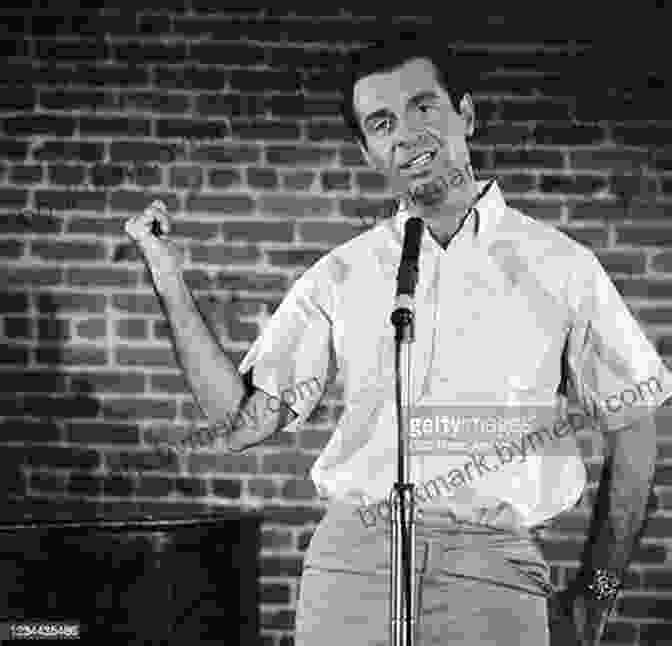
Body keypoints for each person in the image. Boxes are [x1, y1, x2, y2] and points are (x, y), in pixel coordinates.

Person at [124, 30, 671, 646]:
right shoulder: (341, 273)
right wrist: (168, 278)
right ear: (368, 151)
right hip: (351, 568)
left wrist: (594, 599)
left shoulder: (562, 267)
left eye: (424, 107)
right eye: (382, 123)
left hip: (494, 572)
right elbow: (238, 421)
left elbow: (635, 430)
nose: (407, 134)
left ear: (465, 113)